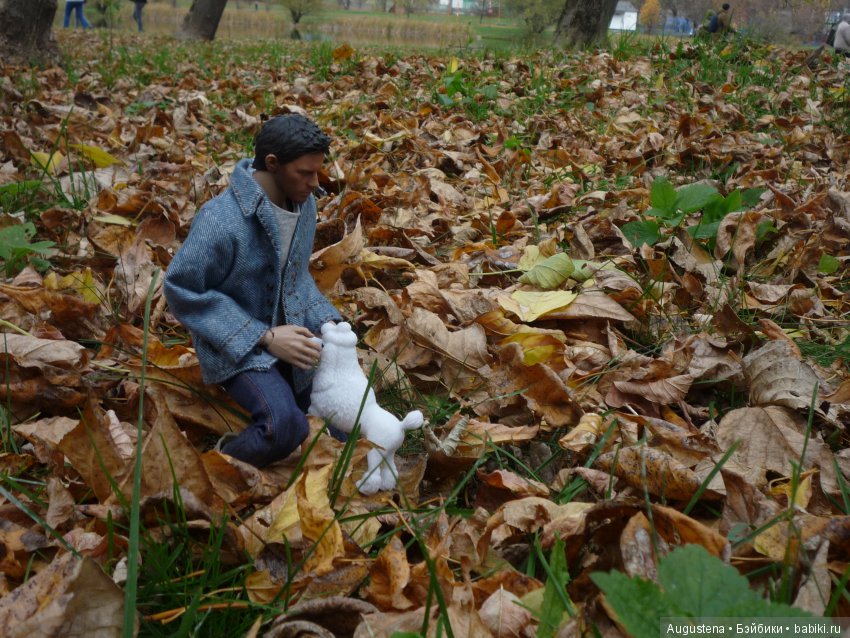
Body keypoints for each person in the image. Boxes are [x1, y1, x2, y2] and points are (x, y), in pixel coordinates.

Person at [164, 114, 343, 468]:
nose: (314, 183)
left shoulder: (304, 204)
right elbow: (181, 288)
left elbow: (293, 275)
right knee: (284, 426)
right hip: (237, 348)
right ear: (273, 164)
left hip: (292, 334)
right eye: (304, 173)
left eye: (317, 172)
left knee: (343, 414)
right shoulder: (220, 220)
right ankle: (211, 470)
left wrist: (329, 323)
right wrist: (264, 336)